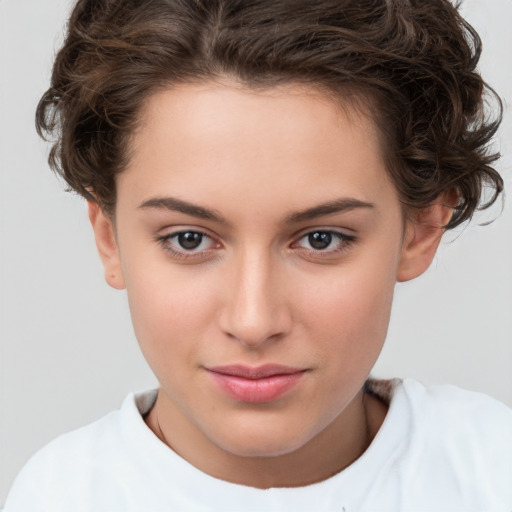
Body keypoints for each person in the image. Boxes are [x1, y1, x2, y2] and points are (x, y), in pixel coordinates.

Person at [4, 0, 511, 510]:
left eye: (321, 239)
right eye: (189, 239)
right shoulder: (58, 496)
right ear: (109, 238)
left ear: (420, 230)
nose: (253, 322)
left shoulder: (492, 472)